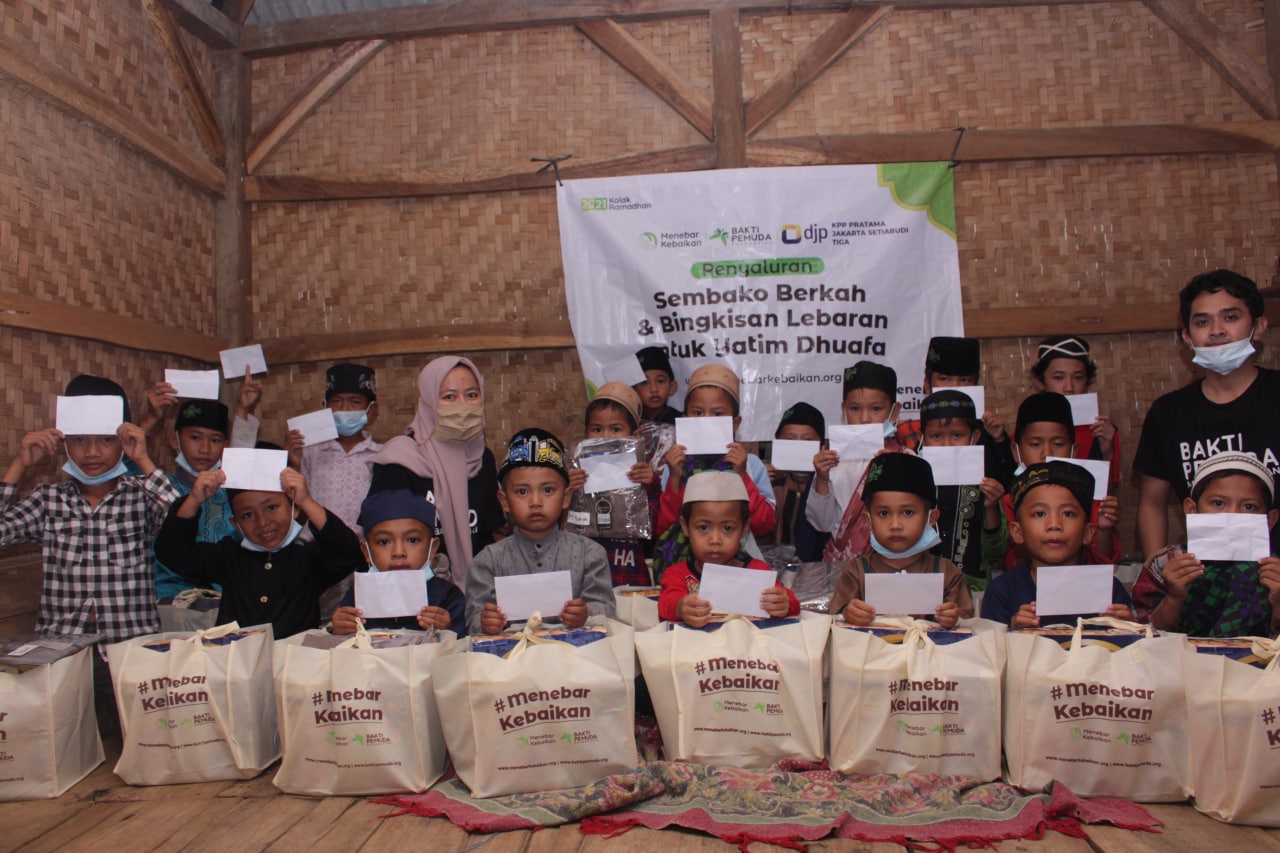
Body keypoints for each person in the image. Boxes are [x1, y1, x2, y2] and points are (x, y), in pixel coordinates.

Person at [0, 375, 180, 736]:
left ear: (124, 441)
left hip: (131, 649)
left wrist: (143, 460)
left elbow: (181, 527)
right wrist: (18, 466)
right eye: (79, 440)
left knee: (145, 745)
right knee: (66, 749)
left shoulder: (141, 496)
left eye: (106, 440)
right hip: (62, 652)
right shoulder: (48, 500)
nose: (93, 453)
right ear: (65, 443)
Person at [1134, 269, 1279, 558]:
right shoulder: (1168, 413)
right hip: (1205, 583)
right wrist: (1159, 574)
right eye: (1202, 322)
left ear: (1259, 326)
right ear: (1187, 336)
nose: (1216, 331)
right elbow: (1152, 502)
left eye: (1231, 317)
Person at [153, 454, 365, 639]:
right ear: (236, 524)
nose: (262, 522)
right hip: (235, 667)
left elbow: (347, 552)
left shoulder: (309, 559)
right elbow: (172, 552)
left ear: (296, 510)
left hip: (293, 667)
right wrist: (193, 500)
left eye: (272, 507)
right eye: (247, 515)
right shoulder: (228, 556)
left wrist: (307, 501)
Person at [369, 356, 504, 586]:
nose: (463, 405)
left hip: (478, 590)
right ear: (429, 402)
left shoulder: (483, 458)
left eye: (471, 395)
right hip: (416, 594)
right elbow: (383, 541)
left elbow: (487, 536)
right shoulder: (398, 463)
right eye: (449, 396)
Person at [466, 428, 615, 635]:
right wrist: (486, 622)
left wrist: (586, 614)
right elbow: (474, 618)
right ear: (504, 501)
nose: (535, 502)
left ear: (565, 497)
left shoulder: (589, 555)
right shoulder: (487, 562)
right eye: (522, 492)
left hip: (575, 662)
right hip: (510, 663)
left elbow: (607, 610)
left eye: (547, 490)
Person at [1133, 451, 1280, 637]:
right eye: (1218, 503)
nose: (1232, 515)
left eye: (1249, 506)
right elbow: (1142, 637)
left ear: (1269, 520)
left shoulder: (1274, 570)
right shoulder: (1166, 563)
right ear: (1192, 510)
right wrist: (1174, 598)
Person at [981, 461, 1134, 628]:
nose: (1054, 524)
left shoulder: (1109, 591)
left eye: (1068, 513)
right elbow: (989, 650)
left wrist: (1130, 629)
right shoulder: (1002, 592)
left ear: (1087, 533)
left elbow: (1131, 648)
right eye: (1039, 514)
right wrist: (1012, 633)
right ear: (1017, 532)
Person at [653, 363, 776, 570]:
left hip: (738, 567)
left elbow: (764, 524)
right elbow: (664, 527)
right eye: (698, 413)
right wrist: (674, 477)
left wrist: (742, 475)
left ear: (735, 423)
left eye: (718, 414)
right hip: (684, 568)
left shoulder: (751, 465)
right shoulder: (676, 465)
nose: (707, 421)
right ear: (685, 419)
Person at [829, 452, 973, 628]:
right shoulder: (856, 572)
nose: (895, 525)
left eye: (907, 513)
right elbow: (834, 620)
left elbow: (968, 625)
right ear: (868, 521)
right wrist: (848, 613)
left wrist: (953, 618)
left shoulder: (947, 573)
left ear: (931, 518)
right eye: (884, 513)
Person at [287, 363, 384, 618]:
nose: (344, 409)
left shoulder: (381, 455)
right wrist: (294, 463)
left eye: (354, 402)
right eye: (336, 402)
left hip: (363, 558)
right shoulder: (310, 452)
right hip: (316, 556)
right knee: (318, 620)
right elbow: (291, 504)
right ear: (324, 407)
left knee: (359, 621)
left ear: (370, 409)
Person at [658, 471, 800, 626]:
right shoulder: (677, 575)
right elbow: (665, 604)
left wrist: (785, 603)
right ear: (685, 527)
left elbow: (790, 602)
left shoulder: (757, 572)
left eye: (727, 528)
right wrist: (680, 608)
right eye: (703, 527)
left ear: (744, 529)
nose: (715, 540)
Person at [1000, 391, 1120, 569]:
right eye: (1035, 444)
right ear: (1016, 451)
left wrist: (1105, 529)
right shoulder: (1010, 502)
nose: (1046, 452)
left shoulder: (1090, 498)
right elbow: (1014, 561)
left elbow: (1102, 559)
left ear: (1074, 450)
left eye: (1058, 444)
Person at [330, 489, 466, 636]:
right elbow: (343, 649)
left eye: (412, 540)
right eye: (384, 542)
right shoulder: (357, 597)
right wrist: (339, 629)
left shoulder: (447, 597)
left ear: (432, 548)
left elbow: (464, 649)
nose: (398, 552)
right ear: (366, 552)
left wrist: (448, 631)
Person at [806, 360, 904, 563]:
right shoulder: (832, 461)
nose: (865, 418)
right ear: (843, 409)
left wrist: (894, 470)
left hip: (893, 564)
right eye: (855, 408)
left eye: (876, 409)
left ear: (894, 412)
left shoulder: (906, 459)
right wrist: (822, 479)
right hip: (844, 568)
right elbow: (822, 525)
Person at [566, 382, 658, 587]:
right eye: (597, 429)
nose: (605, 436)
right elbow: (563, 527)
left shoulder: (643, 474)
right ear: (586, 433)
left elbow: (657, 527)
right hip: (586, 574)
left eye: (616, 429)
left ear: (634, 437)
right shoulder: (576, 474)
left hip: (629, 570)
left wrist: (650, 486)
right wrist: (569, 492)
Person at [896, 336, 1017, 487]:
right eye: (945, 379)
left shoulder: (988, 434)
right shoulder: (920, 442)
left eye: (965, 380)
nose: (955, 386)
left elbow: (1009, 482)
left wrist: (999, 440)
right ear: (927, 385)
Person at [915, 390, 1008, 583]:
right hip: (921, 583)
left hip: (973, 586)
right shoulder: (913, 482)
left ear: (974, 437)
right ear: (922, 438)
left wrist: (991, 507)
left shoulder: (984, 484)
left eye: (957, 435)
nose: (947, 444)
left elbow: (996, 550)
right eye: (936, 436)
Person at [154, 399, 234, 599]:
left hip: (226, 604)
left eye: (215, 440)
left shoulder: (235, 496)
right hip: (168, 603)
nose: (205, 449)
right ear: (175, 441)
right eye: (195, 437)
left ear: (226, 447)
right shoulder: (156, 489)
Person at [1030, 335, 1119, 489]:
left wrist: (1107, 453)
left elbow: (1108, 495)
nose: (1069, 387)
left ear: (1087, 381)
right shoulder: (1027, 431)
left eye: (1078, 377)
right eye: (1058, 378)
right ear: (1039, 382)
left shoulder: (1104, 433)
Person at [763, 402, 830, 562]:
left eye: (808, 441)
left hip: (817, 568)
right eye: (790, 440)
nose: (799, 446)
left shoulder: (828, 485)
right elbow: (759, 530)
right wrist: (759, 486)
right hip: (775, 566)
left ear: (822, 447)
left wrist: (822, 478)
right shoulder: (772, 484)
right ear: (777, 443)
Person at [633, 346, 682, 424]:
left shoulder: (682, 421)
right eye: (644, 382)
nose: (654, 389)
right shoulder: (628, 422)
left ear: (672, 387)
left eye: (660, 381)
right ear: (634, 390)